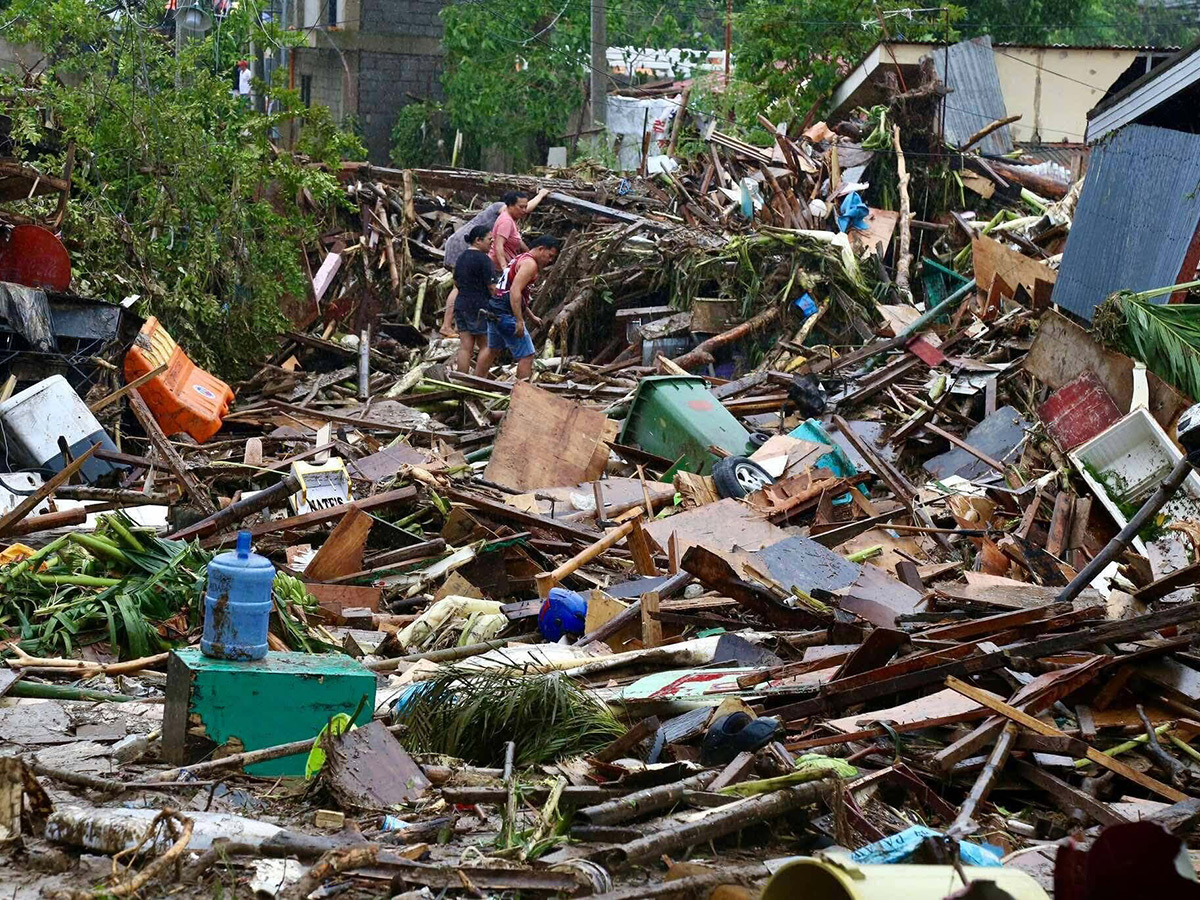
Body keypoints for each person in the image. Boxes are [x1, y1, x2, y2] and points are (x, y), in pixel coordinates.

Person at [476, 235, 561, 382]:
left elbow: (514, 292)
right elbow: (515, 291)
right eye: (549, 256)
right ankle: (523, 392)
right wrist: (519, 320)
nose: (550, 260)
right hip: (505, 313)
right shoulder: (530, 264)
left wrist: (531, 316)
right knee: (527, 355)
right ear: (541, 249)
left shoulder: (520, 258)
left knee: (492, 349)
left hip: (493, 309)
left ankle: (475, 383)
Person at [438, 199, 505, 337]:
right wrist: (539, 196)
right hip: (461, 244)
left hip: (460, 242)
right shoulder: (500, 207)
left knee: (461, 287)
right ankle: (446, 325)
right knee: (457, 288)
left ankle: (458, 326)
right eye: (520, 206)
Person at [451, 225, 496, 373]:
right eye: (489, 239)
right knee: (487, 346)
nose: (492, 242)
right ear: (478, 240)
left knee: (465, 347)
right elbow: (492, 287)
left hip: (461, 304)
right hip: (479, 307)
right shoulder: (484, 260)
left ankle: (460, 380)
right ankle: (478, 380)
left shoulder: (461, 257)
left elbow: (456, 282)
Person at [490, 187, 550, 273]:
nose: (524, 210)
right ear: (510, 205)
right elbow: (498, 245)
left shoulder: (511, 219)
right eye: (521, 207)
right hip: (497, 269)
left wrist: (530, 255)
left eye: (525, 207)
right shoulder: (506, 221)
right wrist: (504, 269)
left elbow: (519, 241)